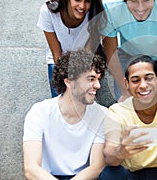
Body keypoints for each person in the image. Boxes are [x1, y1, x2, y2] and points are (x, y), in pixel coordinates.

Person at [23, 49, 107, 179]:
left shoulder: (102, 115)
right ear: (68, 81)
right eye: (91, 79)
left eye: (98, 79)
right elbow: (31, 168)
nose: (97, 85)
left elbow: (96, 167)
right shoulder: (39, 112)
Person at [37, 0, 106, 97]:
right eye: (77, 0)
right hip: (59, 61)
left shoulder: (95, 14)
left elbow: (88, 54)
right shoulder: (48, 12)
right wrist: (66, 80)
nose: (82, 6)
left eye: (87, 1)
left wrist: (80, 80)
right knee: (60, 100)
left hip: (86, 61)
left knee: (82, 102)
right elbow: (56, 53)